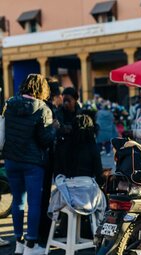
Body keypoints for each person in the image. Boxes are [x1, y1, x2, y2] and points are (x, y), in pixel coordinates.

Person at [3, 74, 56, 255]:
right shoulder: (43, 109)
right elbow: (45, 140)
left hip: (11, 160)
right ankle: (31, 245)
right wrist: (54, 129)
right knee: (34, 203)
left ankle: (18, 242)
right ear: (42, 89)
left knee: (18, 202)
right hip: (33, 163)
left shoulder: (9, 105)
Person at [37, 77, 62, 250]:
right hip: (47, 159)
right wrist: (56, 128)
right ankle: (44, 234)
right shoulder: (48, 109)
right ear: (55, 94)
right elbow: (46, 137)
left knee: (41, 197)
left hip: (39, 159)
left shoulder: (40, 106)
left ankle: (42, 232)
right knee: (45, 197)